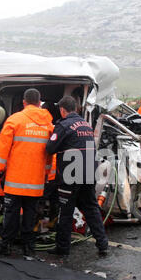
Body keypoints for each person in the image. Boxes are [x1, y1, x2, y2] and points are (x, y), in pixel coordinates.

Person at [0, 88, 54, 256]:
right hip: (35, 182)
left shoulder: (15, 120)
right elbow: (50, 154)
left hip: (15, 181)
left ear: (24, 102)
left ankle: (6, 246)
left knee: (11, 214)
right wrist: (46, 175)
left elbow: (3, 148)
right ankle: (29, 247)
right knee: (30, 215)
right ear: (39, 102)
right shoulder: (48, 125)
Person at [46, 95, 109, 258]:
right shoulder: (86, 125)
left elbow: (50, 148)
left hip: (71, 175)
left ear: (62, 110)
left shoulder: (63, 125)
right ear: (76, 108)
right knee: (91, 209)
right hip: (89, 173)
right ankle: (103, 244)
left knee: (65, 211)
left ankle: (62, 248)